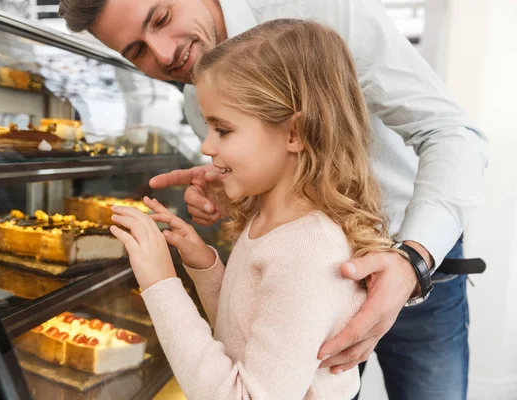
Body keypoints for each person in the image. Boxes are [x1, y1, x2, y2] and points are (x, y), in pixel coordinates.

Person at [59, 0, 487, 398]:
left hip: (417, 263)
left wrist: (413, 258)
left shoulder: (325, 11)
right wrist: (227, 212)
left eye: (161, 17)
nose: (164, 53)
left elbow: (450, 134)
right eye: (137, 51)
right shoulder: (197, 95)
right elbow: (249, 325)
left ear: (295, 131)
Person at [110, 19, 403, 398]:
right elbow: (241, 335)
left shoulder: (308, 253)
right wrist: (204, 265)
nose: (207, 147)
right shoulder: (269, 222)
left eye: (223, 129)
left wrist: (161, 284)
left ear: (294, 133)